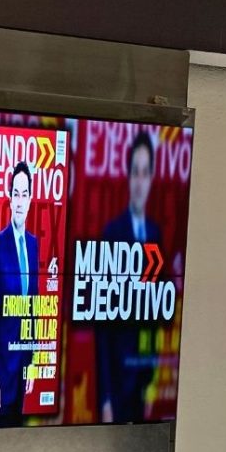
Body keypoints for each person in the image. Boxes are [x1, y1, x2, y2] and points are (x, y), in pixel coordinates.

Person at [97, 130, 162, 423]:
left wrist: (150, 388)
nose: (140, 181)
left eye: (145, 172)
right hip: (117, 387)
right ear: (128, 177)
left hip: (141, 385)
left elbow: (155, 317)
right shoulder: (112, 234)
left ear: (151, 178)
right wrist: (106, 397)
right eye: (135, 172)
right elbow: (102, 328)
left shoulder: (155, 235)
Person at [0, 161, 38, 425]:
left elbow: (34, 310)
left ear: (30, 198)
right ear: (9, 198)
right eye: (15, 194)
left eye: (24, 193)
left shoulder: (34, 245)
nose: (19, 201)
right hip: (2, 375)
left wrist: (32, 362)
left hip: (22, 374)